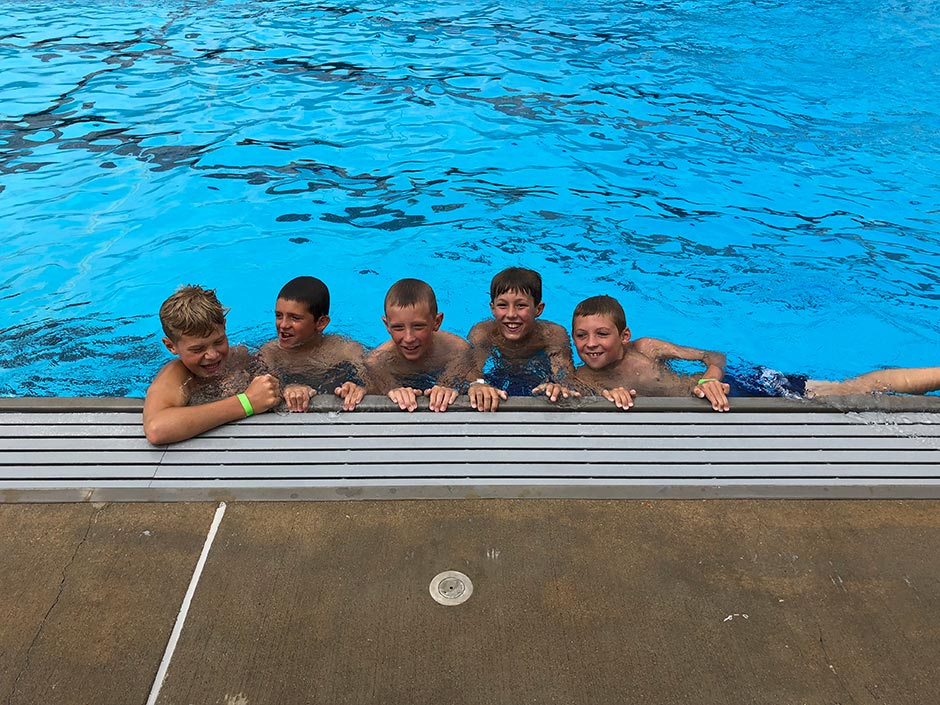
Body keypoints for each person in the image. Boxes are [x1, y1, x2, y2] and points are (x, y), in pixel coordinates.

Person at [570, 295, 940, 411]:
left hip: (739, 385)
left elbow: (714, 355)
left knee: (850, 390)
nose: (591, 344)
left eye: (602, 334)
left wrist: (709, 380)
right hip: (713, 407)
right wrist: (612, 396)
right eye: (581, 336)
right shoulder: (582, 377)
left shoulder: (647, 348)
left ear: (624, 336)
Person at [142, 285, 281, 444]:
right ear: (171, 346)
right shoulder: (177, 374)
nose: (213, 355)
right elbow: (157, 429)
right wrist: (247, 402)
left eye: (219, 341)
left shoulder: (239, 357)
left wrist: (291, 390)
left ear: (225, 326)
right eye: (198, 349)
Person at [466, 267, 577, 412]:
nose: (511, 314)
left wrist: (558, 386)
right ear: (492, 308)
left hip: (538, 380)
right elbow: (472, 369)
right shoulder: (483, 333)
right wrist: (478, 384)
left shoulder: (552, 336)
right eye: (502, 305)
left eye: (521, 305)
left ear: (538, 309)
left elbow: (565, 376)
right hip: (498, 375)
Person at [257, 276, 367, 412]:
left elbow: (374, 384)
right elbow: (256, 391)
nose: (283, 325)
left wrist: (358, 388)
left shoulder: (346, 351)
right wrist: (285, 389)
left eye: (295, 318)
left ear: (321, 323)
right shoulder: (271, 353)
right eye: (279, 315)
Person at [365, 278, 473, 412]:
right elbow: (373, 394)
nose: (409, 338)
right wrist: (392, 391)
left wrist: (449, 388)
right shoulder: (377, 362)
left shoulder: (457, 350)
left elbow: (474, 382)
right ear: (387, 325)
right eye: (398, 327)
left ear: (437, 322)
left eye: (418, 326)